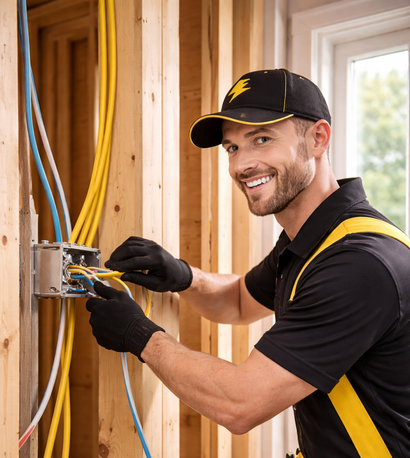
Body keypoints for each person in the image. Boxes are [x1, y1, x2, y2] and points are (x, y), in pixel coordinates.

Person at [86, 69, 410, 457]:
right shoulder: (314, 239)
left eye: (262, 139)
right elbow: (239, 300)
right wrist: (182, 276)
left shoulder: (358, 264)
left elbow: (241, 403)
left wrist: (141, 337)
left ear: (318, 139)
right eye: (232, 148)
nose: (241, 165)